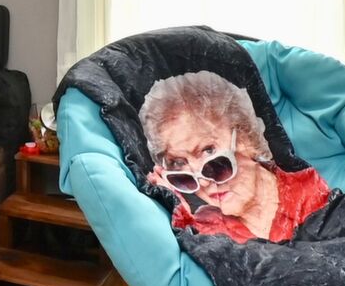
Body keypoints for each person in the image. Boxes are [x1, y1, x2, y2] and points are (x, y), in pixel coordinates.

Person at [140, 70, 330, 243]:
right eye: (179, 163)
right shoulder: (204, 228)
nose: (202, 182)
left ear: (245, 138)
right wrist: (177, 211)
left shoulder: (308, 192)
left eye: (208, 150)